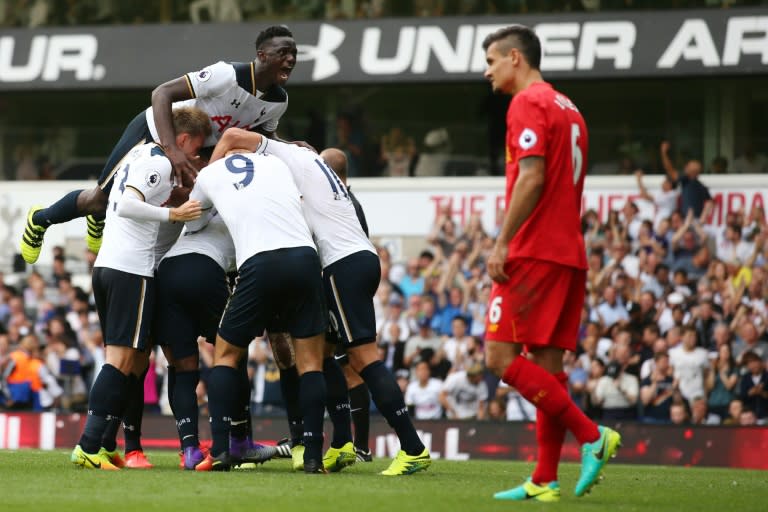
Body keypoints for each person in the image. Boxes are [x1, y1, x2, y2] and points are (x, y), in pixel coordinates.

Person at [211, 128, 432, 475]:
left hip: (340, 266)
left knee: (363, 357)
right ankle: (342, 444)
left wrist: (215, 172)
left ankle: (412, 446)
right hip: (356, 260)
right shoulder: (323, 174)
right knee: (325, 354)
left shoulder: (292, 158)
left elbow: (238, 135)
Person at [20, 25, 301, 265]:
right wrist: (172, 150)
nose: (290, 60)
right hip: (157, 130)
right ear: (262, 56)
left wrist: (290, 146)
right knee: (98, 200)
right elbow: (162, 93)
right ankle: (41, 219)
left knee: (170, 202)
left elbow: (263, 142)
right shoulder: (226, 74)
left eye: (294, 54)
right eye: (283, 54)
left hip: (192, 149)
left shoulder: (279, 102)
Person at [481, 25, 621, 503]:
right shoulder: (570, 107)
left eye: (492, 61)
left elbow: (532, 176)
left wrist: (502, 242)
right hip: (568, 252)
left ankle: (592, 436)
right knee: (547, 364)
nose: (488, 71)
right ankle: (544, 478)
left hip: (534, 250)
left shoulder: (527, 102)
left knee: (499, 357)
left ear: (515, 58)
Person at [70, 107, 209, 470]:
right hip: (132, 269)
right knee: (121, 361)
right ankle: (88, 445)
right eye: (196, 144)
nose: (197, 152)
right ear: (181, 139)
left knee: (130, 361)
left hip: (109, 266)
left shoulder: (138, 153)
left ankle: (102, 444)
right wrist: (172, 215)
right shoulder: (160, 162)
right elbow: (130, 204)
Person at [187, 148, 328, 473]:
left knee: (225, 353)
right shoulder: (275, 163)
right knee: (310, 364)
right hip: (304, 258)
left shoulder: (209, 174)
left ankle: (222, 450)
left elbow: (194, 223)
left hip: (259, 262)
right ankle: (311, 456)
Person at [659, 141, 712, 218]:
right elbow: (710, 201)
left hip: (692, 221)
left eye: (688, 167)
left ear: (693, 172)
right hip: (690, 220)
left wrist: (664, 153)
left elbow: (670, 170)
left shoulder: (687, 181)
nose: (685, 168)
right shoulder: (700, 186)